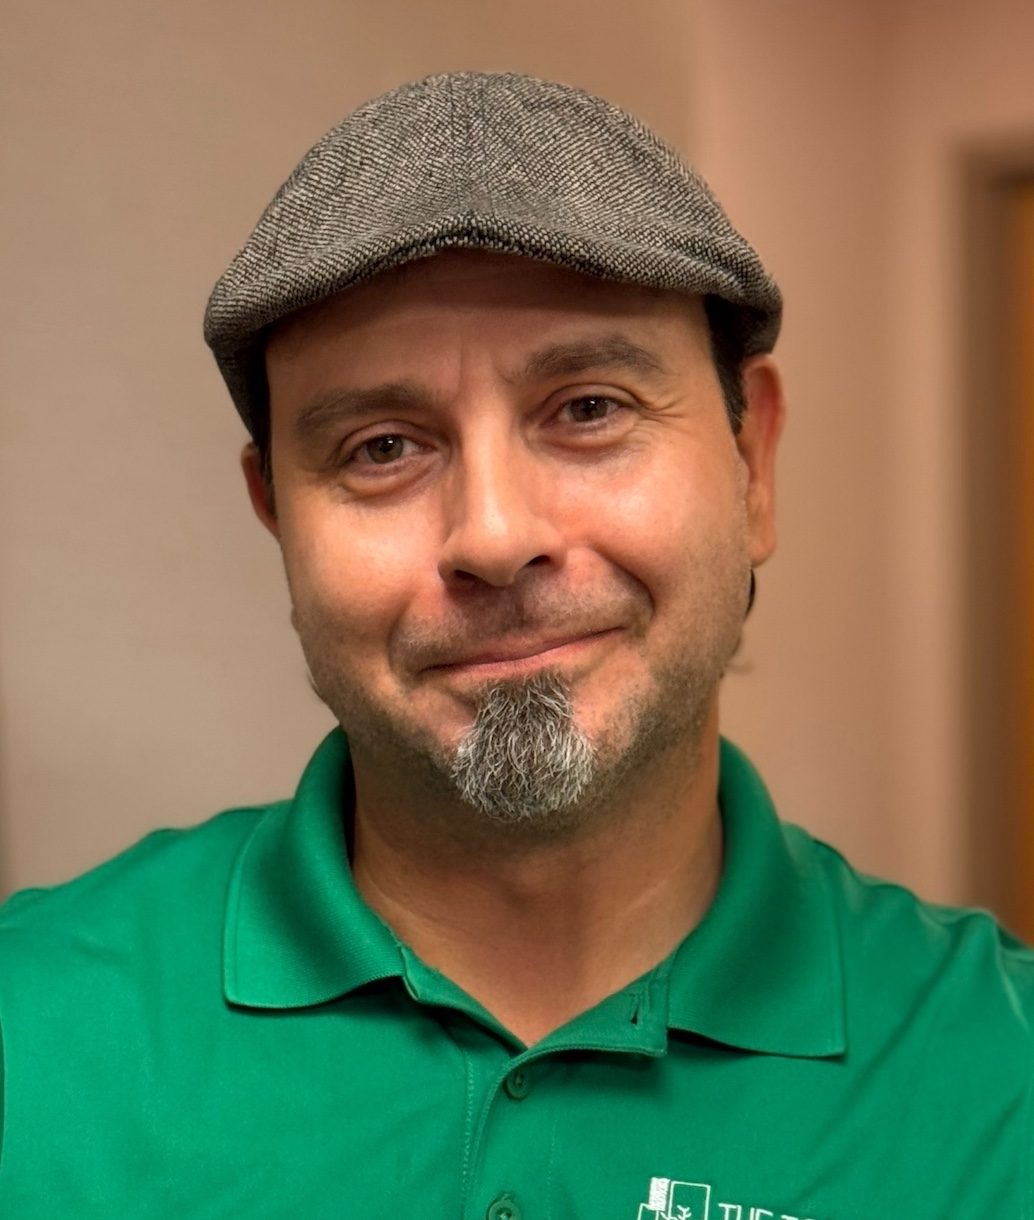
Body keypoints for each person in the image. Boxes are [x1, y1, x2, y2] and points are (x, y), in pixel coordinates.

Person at [0, 71, 1030, 1219]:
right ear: (276, 514)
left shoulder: (1001, 1083)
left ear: (752, 468)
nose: (493, 536)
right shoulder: (28, 1038)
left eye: (588, 408)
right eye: (381, 446)